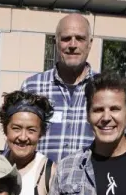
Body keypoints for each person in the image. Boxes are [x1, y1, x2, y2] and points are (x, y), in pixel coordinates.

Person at [23, 14, 96, 163]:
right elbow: (17, 137)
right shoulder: (32, 87)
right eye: (66, 38)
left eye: (80, 38)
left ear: (90, 43)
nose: (72, 45)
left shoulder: (103, 89)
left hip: (88, 184)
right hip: (42, 182)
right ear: (56, 42)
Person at [0, 91, 55, 195]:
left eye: (31, 130)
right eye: (16, 128)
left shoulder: (49, 173)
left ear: (41, 133)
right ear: (6, 130)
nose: (23, 137)